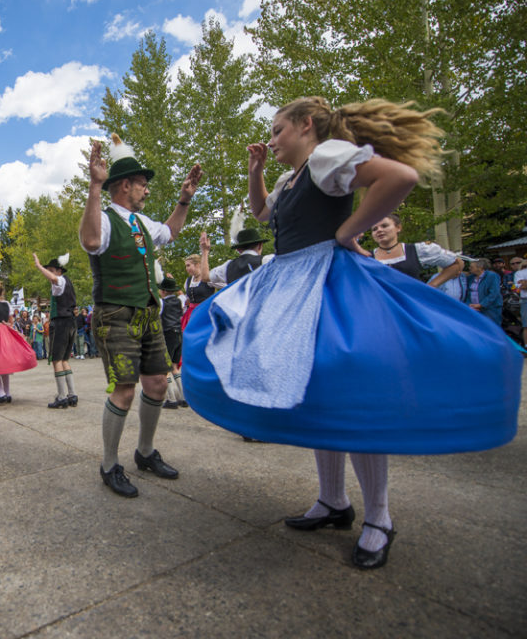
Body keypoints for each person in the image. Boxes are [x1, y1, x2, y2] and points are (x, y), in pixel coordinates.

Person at [182, 97, 520, 569]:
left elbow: (399, 177)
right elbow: (262, 215)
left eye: (278, 131)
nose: (272, 139)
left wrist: (347, 232)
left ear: (305, 125)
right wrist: (257, 170)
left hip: (329, 281)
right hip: (292, 281)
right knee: (319, 389)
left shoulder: (327, 157)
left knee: (354, 393)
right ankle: (333, 501)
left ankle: (379, 517)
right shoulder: (291, 175)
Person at [81, 134, 202, 498]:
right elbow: (89, 241)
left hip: (148, 313)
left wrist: (185, 198)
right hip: (115, 313)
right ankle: (108, 464)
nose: (146, 191)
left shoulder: (142, 223)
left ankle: (145, 452)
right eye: (142, 186)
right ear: (125, 186)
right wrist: (94, 186)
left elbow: (172, 230)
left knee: (158, 385)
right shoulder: (102, 218)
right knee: (124, 389)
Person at [33, 253, 79, 408]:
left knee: (57, 360)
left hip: (61, 323)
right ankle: (72, 395)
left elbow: (53, 279)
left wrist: (39, 266)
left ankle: (62, 397)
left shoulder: (59, 281)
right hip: (70, 322)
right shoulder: (67, 282)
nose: (50, 273)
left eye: (52, 269)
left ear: (59, 271)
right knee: (64, 360)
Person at [370, 214, 463, 285]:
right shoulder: (367, 257)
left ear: (398, 228)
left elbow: (455, 264)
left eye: (384, 226)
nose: (379, 230)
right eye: (374, 229)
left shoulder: (417, 250)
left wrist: (431, 286)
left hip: (410, 305)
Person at [209, 228, 274, 289]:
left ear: (238, 250)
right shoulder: (268, 261)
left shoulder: (227, 267)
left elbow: (206, 277)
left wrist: (205, 252)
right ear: (260, 246)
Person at [157, 276, 187, 410]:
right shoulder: (180, 300)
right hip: (178, 333)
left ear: (163, 291)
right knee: (174, 367)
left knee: (165, 368)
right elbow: (182, 295)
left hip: (167, 334)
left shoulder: (161, 303)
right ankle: (183, 397)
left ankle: (171, 398)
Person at [181, 240, 212, 331]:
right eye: (186, 266)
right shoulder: (188, 281)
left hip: (205, 313)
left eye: (188, 265)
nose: (187, 268)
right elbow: (188, 299)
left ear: (198, 264)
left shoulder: (209, 278)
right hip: (191, 314)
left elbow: (225, 286)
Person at [466, 258, 503, 325]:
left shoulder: (492, 276)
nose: (469, 268)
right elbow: (468, 293)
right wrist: (469, 304)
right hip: (474, 308)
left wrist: (481, 305)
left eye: (471, 267)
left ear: (480, 267)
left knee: (491, 327)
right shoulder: (470, 278)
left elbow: (494, 293)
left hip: (490, 309)